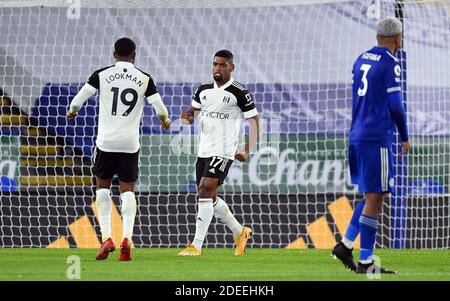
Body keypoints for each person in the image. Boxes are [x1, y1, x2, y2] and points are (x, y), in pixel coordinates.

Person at [66, 37, 171, 261]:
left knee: (102, 189)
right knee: (128, 191)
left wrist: (73, 111)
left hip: (106, 142)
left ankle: (106, 238)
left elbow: (79, 99)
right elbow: (160, 108)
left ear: (114, 55)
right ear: (134, 55)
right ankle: (127, 239)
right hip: (129, 144)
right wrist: (165, 120)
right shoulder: (144, 78)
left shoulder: (101, 74)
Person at [332, 17, 410, 274]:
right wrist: (405, 135)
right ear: (398, 39)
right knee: (376, 196)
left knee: (372, 196)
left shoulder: (361, 58)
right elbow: (396, 105)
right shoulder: (390, 63)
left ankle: (351, 251)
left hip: (357, 134)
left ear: (377, 36)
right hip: (377, 137)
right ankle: (359, 256)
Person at [178, 50, 260, 256]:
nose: (217, 68)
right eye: (215, 64)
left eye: (222, 65)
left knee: (204, 190)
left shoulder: (240, 92)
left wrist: (247, 150)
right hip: (204, 150)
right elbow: (192, 114)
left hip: (224, 150)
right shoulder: (203, 89)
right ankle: (240, 231)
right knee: (210, 197)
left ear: (231, 67)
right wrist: (186, 118)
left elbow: (254, 121)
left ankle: (195, 246)